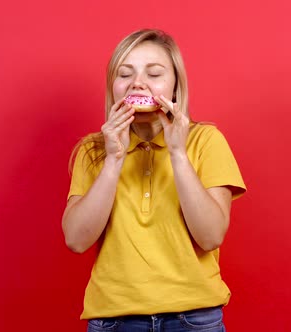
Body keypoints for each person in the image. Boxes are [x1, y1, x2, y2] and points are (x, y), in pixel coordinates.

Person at [62, 28, 246, 332]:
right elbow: (76, 240)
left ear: (175, 86)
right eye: (125, 74)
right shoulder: (92, 149)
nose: (138, 83)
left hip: (194, 319)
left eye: (154, 73)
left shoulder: (206, 141)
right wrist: (113, 160)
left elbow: (211, 236)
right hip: (114, 320)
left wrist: (178, 153)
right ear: (113, 87)